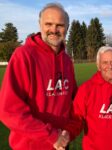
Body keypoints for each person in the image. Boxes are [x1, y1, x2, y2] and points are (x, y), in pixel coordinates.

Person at [0, 3, 81, 150]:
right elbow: (9, 111)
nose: (54, 30)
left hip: (61, 144)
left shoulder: (67, 61)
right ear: (40, 25)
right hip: (31, 146)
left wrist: (70, 132)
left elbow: (75, 101)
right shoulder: (23, 56)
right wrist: (51, 135)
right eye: (48, 24)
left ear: (67, 28)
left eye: (60, 25)